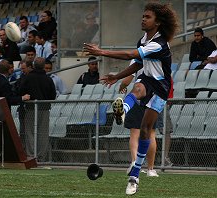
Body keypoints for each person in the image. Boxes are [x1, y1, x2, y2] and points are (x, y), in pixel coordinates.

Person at [83, 2, 178, 195]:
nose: (143, 19)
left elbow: (130, 54)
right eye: (143, 16)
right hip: (147, 80)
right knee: (137, 88)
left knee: (145, 131)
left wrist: (101, 52)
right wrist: (116, 77)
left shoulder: (159, 44)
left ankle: (134, 176)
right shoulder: (143, 39)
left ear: (158, 22)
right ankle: (123, 110)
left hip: (161, 88)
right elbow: (136, 65)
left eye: (148, 17)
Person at [0, 59, 30, 167]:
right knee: (2, 138)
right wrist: (22, 98)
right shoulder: (4, 83)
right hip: (3, 115)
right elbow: (8, 99)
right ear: (9, 70)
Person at [20, 57, 56, 161]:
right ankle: (41, 156)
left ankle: (31, 155)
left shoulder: (28, 78)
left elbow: (21, 90)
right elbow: (52, 95)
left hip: (30, 108)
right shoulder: (48, 79)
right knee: (43, 133)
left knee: (30, 132)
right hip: (44, 108)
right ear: (44, 66)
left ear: (34, 65)